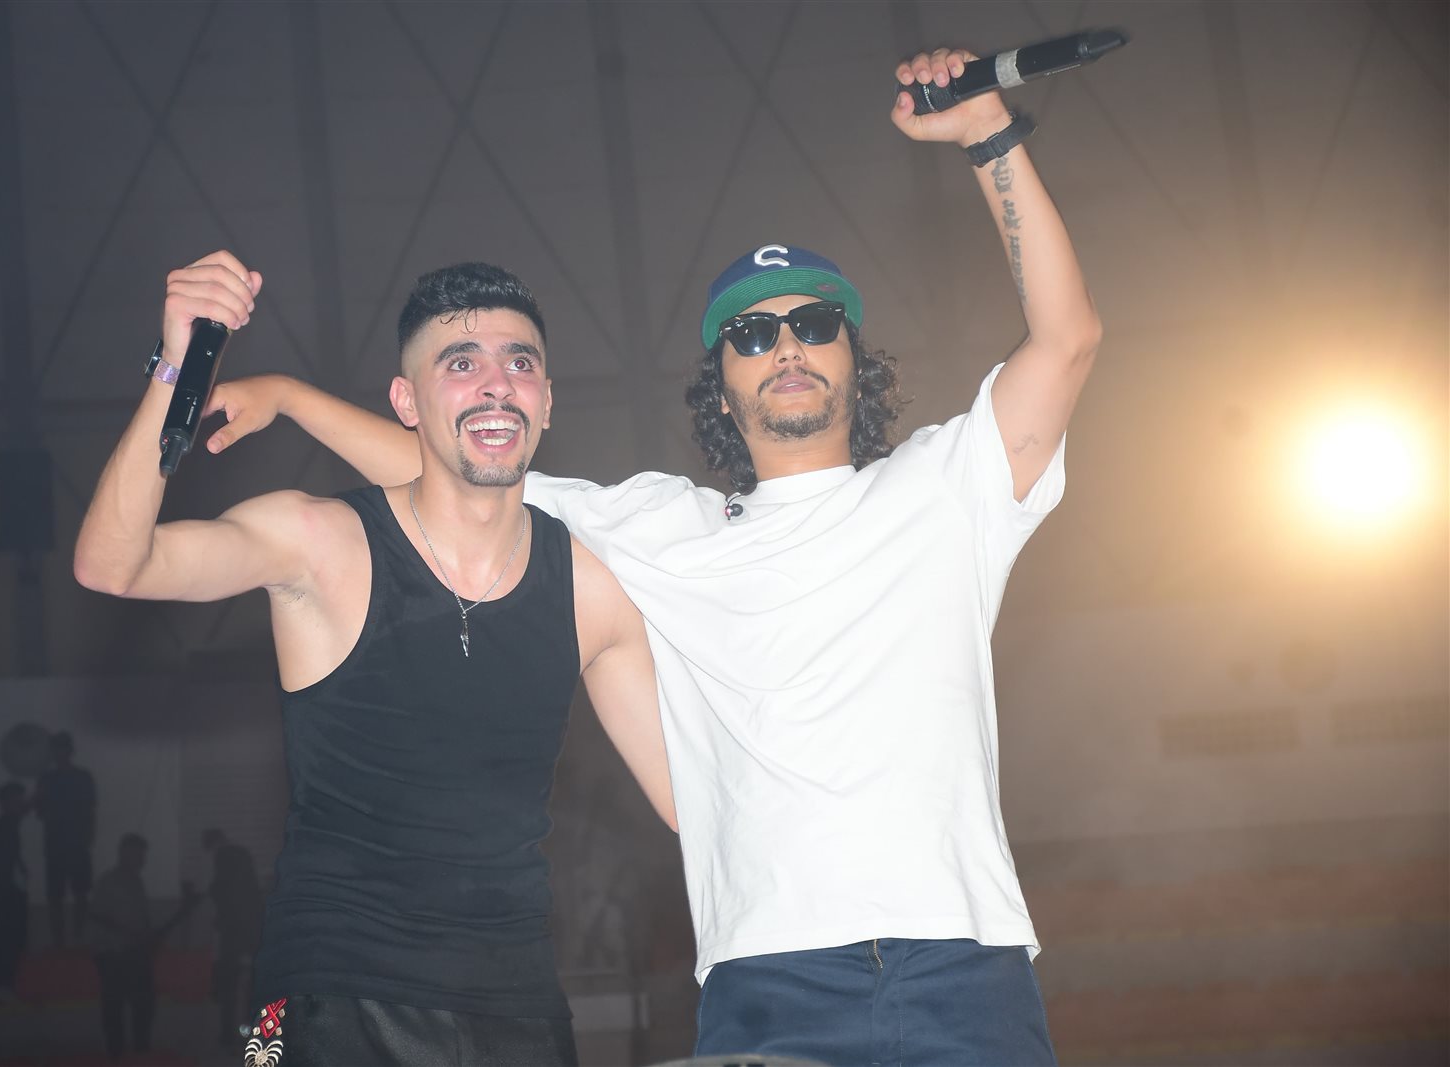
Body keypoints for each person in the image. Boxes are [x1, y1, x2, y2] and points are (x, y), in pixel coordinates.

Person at [205, 45, 1101, 1064]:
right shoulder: (663, 526)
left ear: (855, 355)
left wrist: (987, 134)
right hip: (767, 977)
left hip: (963, 964)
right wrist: (291, 398)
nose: (787, 344)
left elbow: (1066, 339)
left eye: (814, 323)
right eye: (752, 335)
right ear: (722, 384)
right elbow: (462, 472)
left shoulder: (947, 484)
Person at [73, 257, 674, 1066]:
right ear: (407, 402)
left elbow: (690, 800)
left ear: (546, 400)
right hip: (325, 1000)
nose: (497, 384)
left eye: (519, 362)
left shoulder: (592, 590)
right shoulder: (319, 543)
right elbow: (114, 563)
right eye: (460, 363)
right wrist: (177, 365)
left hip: (520, 1013)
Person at [87, 833, 158, 1060]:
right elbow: (98, 916)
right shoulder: (109, 881)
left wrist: (147, 936)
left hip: (135, 951)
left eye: (143, 855)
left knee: (144, 1001)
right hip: (112, 952)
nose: (142, 860)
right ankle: (116, 1052)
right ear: (125, 853)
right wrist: (125, 933)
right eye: (138, 854)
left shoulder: (137, 881)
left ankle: (140, 1048)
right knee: (114, 1004)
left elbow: (141, 918)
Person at [201, 828, 263, 1047]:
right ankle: (248, 1033)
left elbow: (222, 893)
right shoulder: (242, 857)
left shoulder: (222, 857)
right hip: (251, 933)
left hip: (232, 933)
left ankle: (229, 1036)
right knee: (248, 988)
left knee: (229, 987)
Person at [34, 730, 96, 948]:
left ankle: (79, 936)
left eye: (63, 748)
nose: (60, 752)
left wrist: (88, 836)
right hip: (56, 845)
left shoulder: (83, 777)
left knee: (81, 893)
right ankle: (58, 941)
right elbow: (40, 812)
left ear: (70, 750)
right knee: (55, 896)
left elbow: (91, 810)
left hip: (77, 843)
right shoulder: (47, 779)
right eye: (57, 748)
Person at [0, 781, 30, 999]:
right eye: (16, 800)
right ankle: (1, 986)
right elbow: (1, 861)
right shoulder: (1, 825)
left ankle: (6, 985)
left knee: (15, 938)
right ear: (4, 802)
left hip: (11, 889)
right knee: (7, 938)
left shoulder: (8, 825)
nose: (20, 804)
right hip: (5, 890)